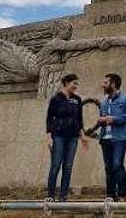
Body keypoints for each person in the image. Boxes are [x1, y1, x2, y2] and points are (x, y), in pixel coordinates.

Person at [45, 73, 88, 201]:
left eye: (77, 84)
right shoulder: (56, 99)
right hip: (58, 136)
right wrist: (49, 137)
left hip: (73, 137)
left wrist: (83, 136)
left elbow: (79, 119)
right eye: (74, 83)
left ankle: (63, 196)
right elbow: (49, 119)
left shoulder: (77, 99)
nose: (76, 86)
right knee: (56, 166)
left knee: (68, 167)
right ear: (66, 83)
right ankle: (50, 196)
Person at [98, 73, 126, 201]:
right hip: (105, 139)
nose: (102, 85)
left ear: (113, 84)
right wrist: (101, 120)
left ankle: (122, 195)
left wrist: (114, 119)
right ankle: (110, 195)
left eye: (105, 83)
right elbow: (103, 119)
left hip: (120, 138)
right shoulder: (103, 101)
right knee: (108, 167)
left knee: (117, 164)